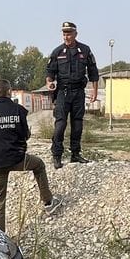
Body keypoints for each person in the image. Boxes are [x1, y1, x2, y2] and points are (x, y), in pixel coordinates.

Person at [0, 79, 62, 231]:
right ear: (9, 92)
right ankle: (48, 202)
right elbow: (25, 135)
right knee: (39, 165)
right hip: (17, 159)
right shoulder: (18, 110)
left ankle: (0, 239)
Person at [46, 21, 99, 168]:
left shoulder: (85, 50)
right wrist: (49, 83)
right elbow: (50, 72)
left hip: (78, 92)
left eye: (69, 33)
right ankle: (57, 155)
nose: (66, 36)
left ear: (75, 34)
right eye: (64, 33)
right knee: (60, 124)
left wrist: (94, 91)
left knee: (77, 124)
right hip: (63, 92)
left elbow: (93, 72)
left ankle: (75, 154)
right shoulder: (57, 52)